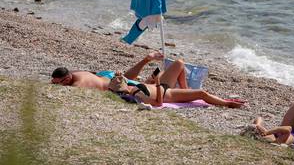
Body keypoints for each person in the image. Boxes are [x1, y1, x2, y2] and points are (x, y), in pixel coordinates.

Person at [51, 52, 243, 108]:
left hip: (154, 85)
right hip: (164, 92)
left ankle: (186, 92)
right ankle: (226, 103)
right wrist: (157, 84)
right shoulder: (125, 90)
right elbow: (158, 102)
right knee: (200, 93)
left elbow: (127, 79)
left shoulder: (95, 76)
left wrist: (150, 73)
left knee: (179, 62)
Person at [51, 51, 188, 91]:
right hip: (106, 76)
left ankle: (184, 91)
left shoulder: (78, 83)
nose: (60, 85)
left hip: (112, 80)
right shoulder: (74, 73)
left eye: (61, 83)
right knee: (163, 72)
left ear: (67, 77)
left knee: (179, 63)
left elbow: (73, 89)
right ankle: (147, 64)